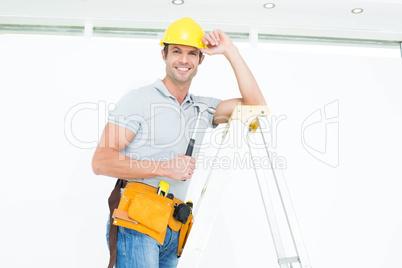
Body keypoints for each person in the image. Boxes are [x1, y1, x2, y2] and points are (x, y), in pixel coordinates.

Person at [92, 17, 266, 268]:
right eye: (176, 51)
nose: (184, 60)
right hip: (137, 218)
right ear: (163, 55)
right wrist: (162, 168)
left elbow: (256, 107)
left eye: (191, 53)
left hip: (175, 223)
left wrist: (231, 51)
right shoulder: (138, 100)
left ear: (201, 59)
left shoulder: (203, 107)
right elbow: (101, 161)